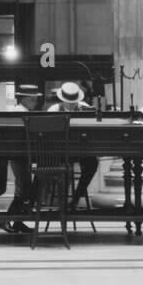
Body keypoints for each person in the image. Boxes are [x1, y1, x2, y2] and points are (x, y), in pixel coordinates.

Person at [47, 81, 99, 211]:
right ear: (62, 100)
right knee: (63, 169)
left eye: (74, 101)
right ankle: (61, 203)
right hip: (59, 151)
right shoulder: (53, 110)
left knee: (92, 163)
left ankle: (75, 199)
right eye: (69, 101)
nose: (72, 104)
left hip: (80, 150)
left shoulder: (84, 107)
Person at [1, 84, 42, 235]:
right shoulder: (19, 113)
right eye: (33, 100)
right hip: (19, 155)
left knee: (24, 188)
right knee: (23, 188)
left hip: (22, 154)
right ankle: (5, 220)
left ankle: (17, 222)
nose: (36, 103)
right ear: (24, 99)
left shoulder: (22, 111)